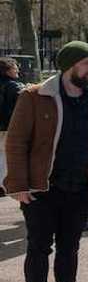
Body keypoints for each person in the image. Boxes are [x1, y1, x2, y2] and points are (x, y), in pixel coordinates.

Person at [4, 42, 88, 282]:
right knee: (40, 247)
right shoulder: (34, 96)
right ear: (68, 66)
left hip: (80, 186)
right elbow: (16, 142)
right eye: (86, 64)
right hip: (42, 188)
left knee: (71, 247)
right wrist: (17, 184)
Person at [0, 56, 22, 186]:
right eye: (14, 67)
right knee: (6, 155)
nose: (17, 69)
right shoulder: (14, 86)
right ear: (7, 70)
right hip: (7, 126)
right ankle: (3, 184)